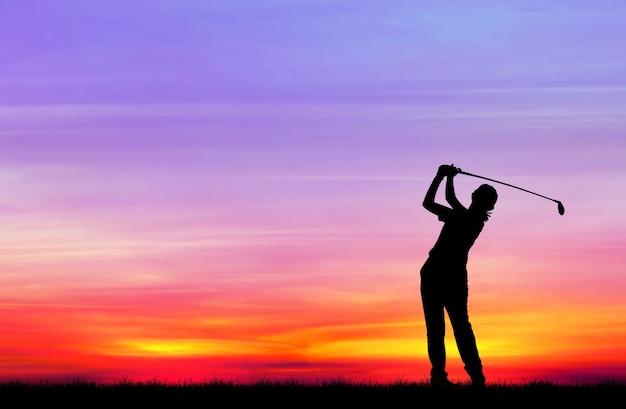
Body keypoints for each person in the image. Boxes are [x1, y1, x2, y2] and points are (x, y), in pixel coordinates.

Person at [420, 164, 498, 388]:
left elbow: (448, 198)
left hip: (441, 274)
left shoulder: (471, 220)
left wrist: (444, 176)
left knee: (452, 328)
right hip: (439, 273)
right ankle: (458, 378)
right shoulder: (461, 216)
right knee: (448, 328)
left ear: (477, 198)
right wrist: (443, 176)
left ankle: (470, 377)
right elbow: (429, 203)